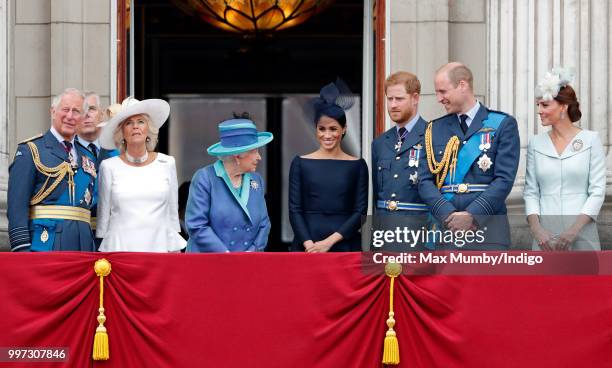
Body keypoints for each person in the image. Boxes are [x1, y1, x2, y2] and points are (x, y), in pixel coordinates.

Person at [418, 62, 520, 249]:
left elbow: (504, 179)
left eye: (443, 91)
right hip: (446, 230)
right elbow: (424, 181)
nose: (439, 99)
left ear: (462, 85)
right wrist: (448, 215)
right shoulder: (434, 129)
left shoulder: (503, 124)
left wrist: (472, 215)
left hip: (488, 230)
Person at [524, 67, 606, 250]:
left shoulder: (591, 140)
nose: (539, 111)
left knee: (583, 280)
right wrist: (537, 230)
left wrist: (573, 230)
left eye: (544, 105)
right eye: (538, 105)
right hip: (544, 239)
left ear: (563, 106)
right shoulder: (535, 143)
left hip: (582, 236)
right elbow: (531, 192)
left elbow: (597, 191)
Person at [7, 88, 97, 252]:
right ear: (53, 112)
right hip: (45, 245)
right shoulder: (31, 150)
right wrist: (22, 250)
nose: (70, 116)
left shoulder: (89, 157)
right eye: (65, 109)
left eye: (76, 111)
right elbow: (16, 207)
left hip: (83, 247)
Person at [96, 97, 186, 252]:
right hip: (121, 250)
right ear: (121, 132)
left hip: (160, 249)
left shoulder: (167, 162)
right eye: (129, 123)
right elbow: (103, 220)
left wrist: (174, 248)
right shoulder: (108, 166)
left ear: (148, 129)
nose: (135, 127)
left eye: (140, 121)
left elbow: (172, 216)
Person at [289, 80, 368, 252]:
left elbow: (360, 212)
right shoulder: (300, 163)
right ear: (316, 129)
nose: (327, 135)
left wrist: (328, 243)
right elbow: (295, 210)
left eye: (333, 129)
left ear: (344, 129)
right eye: (322, 129)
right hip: (307, 245)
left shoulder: (358, 165)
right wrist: (309, 244)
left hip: (344, 244)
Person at [185, 115, 273, 252]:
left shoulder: (256, 180)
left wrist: (252, 252)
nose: (259, 157)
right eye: (254, 151)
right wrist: (226, 255)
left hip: (245, 264)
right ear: (238, 155)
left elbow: (264, 224)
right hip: (209, 264)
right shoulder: (205, 178)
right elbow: (197, 225)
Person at [372, 71, 428, 214]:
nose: (393, 105)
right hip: (386, 230)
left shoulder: (433, 136)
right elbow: (377, 196)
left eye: (399, 99)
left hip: (419, 229)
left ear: (415, 98)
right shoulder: (380, 143)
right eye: (389, 99)